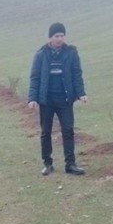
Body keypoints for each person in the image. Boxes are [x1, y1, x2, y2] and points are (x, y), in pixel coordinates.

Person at [27, 22, 88, 176]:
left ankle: (70, 164)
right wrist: (32, 98)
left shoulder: (71, 53)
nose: (59, 39)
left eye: (61, 35)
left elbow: (76, 74)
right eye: (56, 36)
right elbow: (35, 78)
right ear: (50, 38)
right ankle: (47, 164)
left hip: (65, 99)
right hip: (46, 100)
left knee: (68, 130)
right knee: (45, 132)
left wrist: (81, 93)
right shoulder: (41, 55)